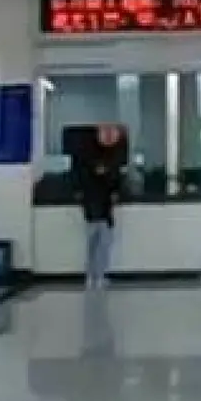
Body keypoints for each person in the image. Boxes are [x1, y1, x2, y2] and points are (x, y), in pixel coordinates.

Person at [76, 123, 130, 289]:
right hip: (100, 210)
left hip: (95, 210)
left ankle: (93, 276)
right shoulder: (108, 162)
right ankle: (97, 276)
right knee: (100, 245)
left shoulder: (87, 163)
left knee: (94, 245)